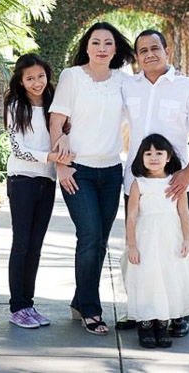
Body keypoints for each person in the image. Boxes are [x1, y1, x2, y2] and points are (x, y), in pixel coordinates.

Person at [118, 28, 189, 336]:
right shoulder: (127, 87)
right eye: (142, 50)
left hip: (175, 187)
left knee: (176, 252)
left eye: (154, 48)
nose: (149, 54)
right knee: (138, 250)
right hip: (136, 185)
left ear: (166, 50)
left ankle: (181, 313)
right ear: (136, 57)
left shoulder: (187, 88)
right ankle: (143, 309)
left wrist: (187, 173)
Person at [49, 21, 135, 335]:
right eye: (96, 42)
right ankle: (91, 309)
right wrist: (61, 165)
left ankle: (79, 299)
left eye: (108, 43)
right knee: (89, 235)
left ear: (116, 49)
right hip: (78, 171)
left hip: (111, 171)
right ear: (86, 46)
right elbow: (57, 120)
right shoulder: (72, 77)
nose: (101, 48)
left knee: (98, 242)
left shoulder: (124, 82)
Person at [3, 54, 74, 328]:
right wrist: (51, 158)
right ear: (21, 81)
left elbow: (65, 134)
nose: (37, 82)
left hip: (47, 181)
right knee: (21, 244)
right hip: (22, 180)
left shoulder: (54, 105)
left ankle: (28, 305)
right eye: (30, 78)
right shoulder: (14, 105)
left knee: (35, 246)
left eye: (40, 76)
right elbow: (18, 149)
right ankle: (17, 306)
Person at [122, 134, 189, 349]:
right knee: (147, 278)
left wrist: (187, 239)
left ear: (168, 157)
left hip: (170, 238)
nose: (154, 157)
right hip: (146, 239)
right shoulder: (138, 184)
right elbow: (131, 216)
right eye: (148, 153)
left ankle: (162, 323)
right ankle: (146, 323)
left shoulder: (176, 182)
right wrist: (132, 245)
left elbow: (184, 213)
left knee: (168, 278)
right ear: (141, 158)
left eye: (159, 153)